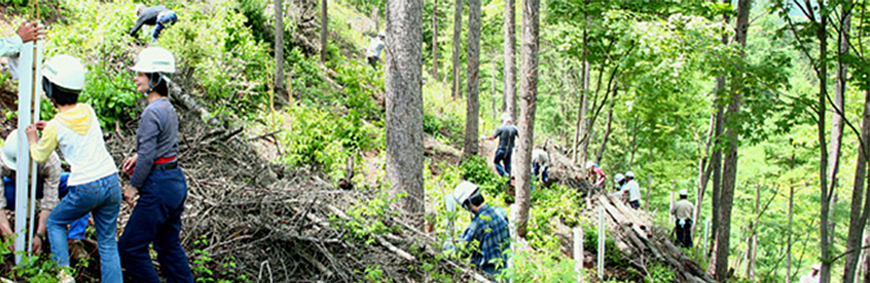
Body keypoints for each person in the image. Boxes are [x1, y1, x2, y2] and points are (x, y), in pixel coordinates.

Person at [25, 54, 122, 283]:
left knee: (55, 222)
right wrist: (51, 128)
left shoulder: (55, 127)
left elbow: (39, 155)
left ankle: (65, 276)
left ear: (49, 89)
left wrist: (32, 138)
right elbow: (77, 130)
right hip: (110, 181)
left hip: (86, 188)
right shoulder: (88, 110)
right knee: (107, 243)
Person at [118, 47, 194, 283]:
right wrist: (140, 156)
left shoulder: (152, 112)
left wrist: (133, 187)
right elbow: (157, 149)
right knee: (167, 245)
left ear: (155, 78)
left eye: (141, 74)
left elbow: (149, 155)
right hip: (175, 182)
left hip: (159, 186)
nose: (136, 78)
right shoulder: (167, 107)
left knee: (130, 247)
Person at [0, 131, 89, 259]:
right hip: (15, 189)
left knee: (81, 184)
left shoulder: (50, 160)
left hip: (42, 185)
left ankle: (74, 239)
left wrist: (39, 235)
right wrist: (7, 233)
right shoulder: (3, 159)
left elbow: (49, 201)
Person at [451, 181, 510, 278]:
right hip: (504, 272)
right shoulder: (500, 211)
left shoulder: (477, 225)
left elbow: (462, 253)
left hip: (486, 275)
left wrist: (448, 245)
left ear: (468, 204)